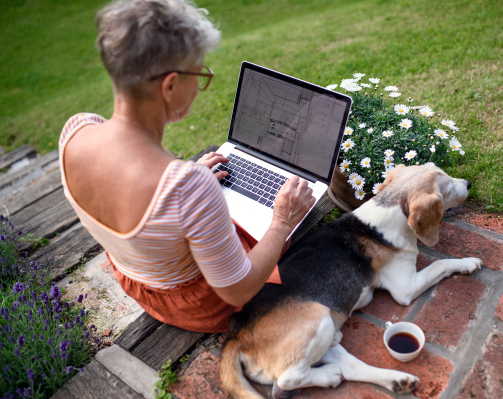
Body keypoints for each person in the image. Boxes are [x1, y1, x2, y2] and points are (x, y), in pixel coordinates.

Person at [58, 0, 315, 333]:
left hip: (138, 281)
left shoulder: (75, 131)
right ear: (169, 86)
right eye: (199, 73)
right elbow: (237, 288)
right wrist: (282, 222)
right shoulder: (188, 187)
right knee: (288, 232)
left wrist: (183, 189)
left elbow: (142, 199)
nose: (201, 82)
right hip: (202, 305)